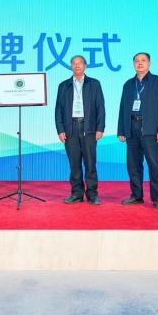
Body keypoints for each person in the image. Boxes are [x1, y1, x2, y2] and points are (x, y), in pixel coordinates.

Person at [118, 52, 158, 209]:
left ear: (149, 63)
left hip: (151, 130)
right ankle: (136, 196)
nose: (140, 63)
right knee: (133, 165)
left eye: (143, 60)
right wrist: (121, 130)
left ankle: (157, 198)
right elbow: (122, 108)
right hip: (131, 128)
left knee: (154, 165)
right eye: (137, 61)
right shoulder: (128, 84)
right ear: (133, 64)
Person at [55, 55, 105, 205]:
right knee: (74, 164)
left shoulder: (94, 84)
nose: (77, 66)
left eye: (80, 63)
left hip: (88, 128)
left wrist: (100, 127)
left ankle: (92, 194)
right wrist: (60, 129)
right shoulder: (63, 85)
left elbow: (100, 107)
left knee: (90, 163)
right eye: (74, 63)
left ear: (85, 66)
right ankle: (76, 193)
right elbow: (58, 110)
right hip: (70, 128)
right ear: (71, 66)